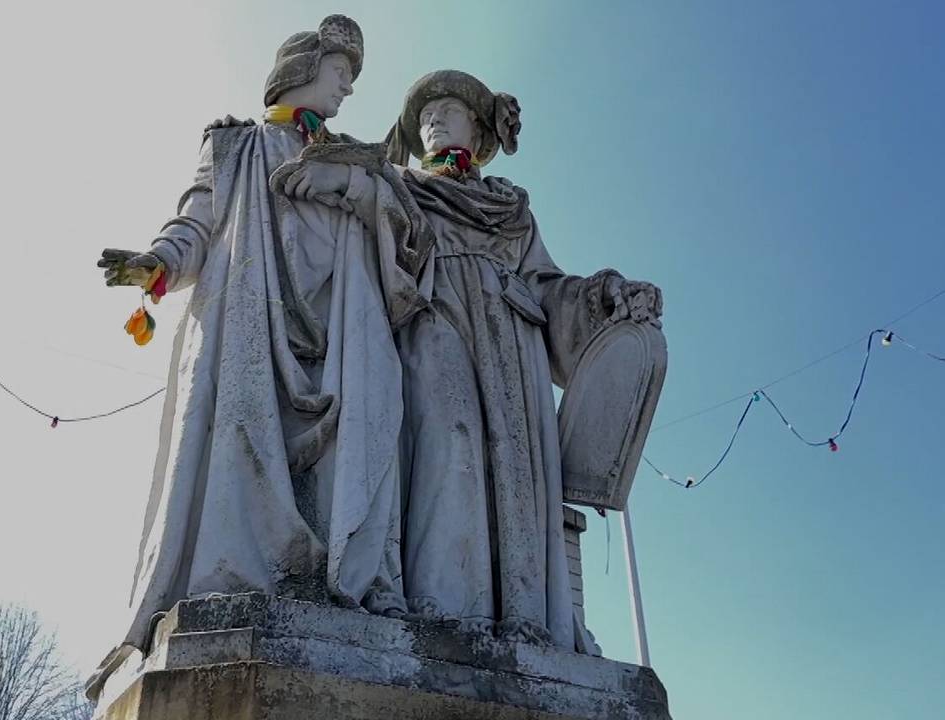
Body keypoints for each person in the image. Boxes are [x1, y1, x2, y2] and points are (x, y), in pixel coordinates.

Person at [88, 16, 430, 699]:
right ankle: (234, 576)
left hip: (342, 336)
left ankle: (349, 577)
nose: (347, 91)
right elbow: (194, 221)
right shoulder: (236, 145)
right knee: (240, 433)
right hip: (252, 322)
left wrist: (357, 191)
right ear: (303, 66)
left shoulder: (355, 164)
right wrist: (155, 264)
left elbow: (405, 240)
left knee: (361, 443)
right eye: (341, 75)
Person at [277, 70, 662, 652]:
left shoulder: (511, 208)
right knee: (448, 436)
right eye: (426, 113)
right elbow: (373, 224)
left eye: (447, 109)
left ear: (477, 127)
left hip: (512, 337)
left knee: (513, 468)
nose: (432, 119)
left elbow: (546, 285)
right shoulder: (402, 184)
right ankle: (440, 603)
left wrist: (603, 295)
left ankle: (521, 617)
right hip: (435, 314)